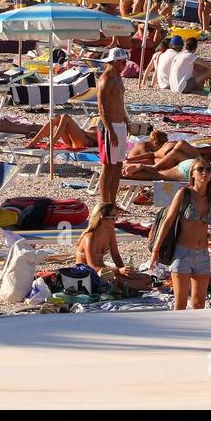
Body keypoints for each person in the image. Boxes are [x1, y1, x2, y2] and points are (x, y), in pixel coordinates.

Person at [149, 159, 211, 310]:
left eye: (209, 169)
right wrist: (155, 251)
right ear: (192, 173)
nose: (205, 173)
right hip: (182, 253)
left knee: (199, 304)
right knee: (181, 304)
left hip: (203, 255)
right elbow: (168, 222)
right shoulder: (184, 194)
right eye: (200, 169)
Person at [76, 203, 155, 290]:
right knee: (135, 283)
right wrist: (118, 271)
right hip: (87, 274)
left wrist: (124, 271)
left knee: (146, 278)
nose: (115, 220)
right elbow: (92, 266)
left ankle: (130, 285)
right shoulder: (90, 237)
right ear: (102, 219)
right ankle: (132, 286)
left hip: (104, 271)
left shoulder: (110, 232)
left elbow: (116, 255)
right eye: (113, 217)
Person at [96, 47, 130, 204]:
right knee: (108, 167)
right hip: (109, 127)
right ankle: (104, 203)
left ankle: (112, 202)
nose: (125, 65)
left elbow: (120, 102)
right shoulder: (106, 79)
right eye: (123, 62)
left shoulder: (118, 77)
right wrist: (110, 131)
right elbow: (102, 107)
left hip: (120, 125)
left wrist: (126, 121)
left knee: (117, 167)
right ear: (115, 62)